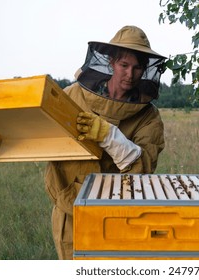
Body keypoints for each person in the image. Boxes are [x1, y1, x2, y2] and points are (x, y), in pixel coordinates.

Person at [44, 26, 167, 260]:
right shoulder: (72, 96)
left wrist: (107, 135)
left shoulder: (149, 117)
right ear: (111, 62)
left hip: (118, 215)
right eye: (124, 65)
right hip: (70, 208)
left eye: (137, 67)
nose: (130, 74)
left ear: (145, 70)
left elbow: (143, 169)